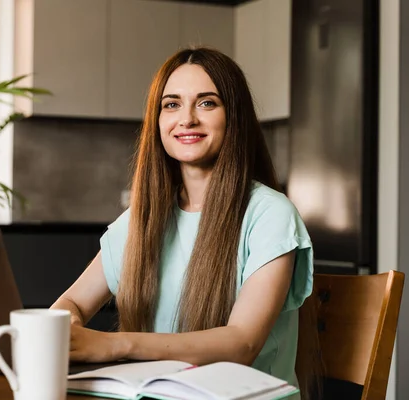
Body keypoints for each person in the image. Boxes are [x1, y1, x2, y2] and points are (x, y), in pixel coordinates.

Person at [51, 47, 314, 395]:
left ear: (234, 118)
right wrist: (67, 322)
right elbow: (71, 303)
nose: (186, 119)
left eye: (207, 103)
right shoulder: (140, 220)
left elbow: (242, 343)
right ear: (157, 120)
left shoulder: (270, 215)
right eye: (171, 104)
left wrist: (114, 344)